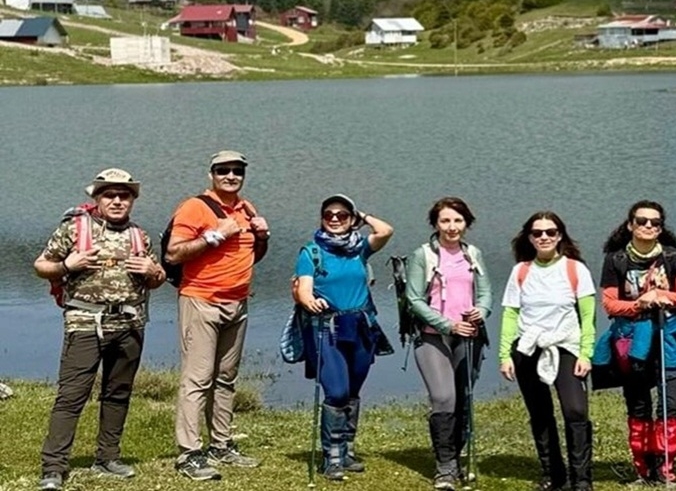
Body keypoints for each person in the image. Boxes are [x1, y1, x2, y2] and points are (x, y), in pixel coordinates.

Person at [33, 168, 166, 491]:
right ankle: (53, 467)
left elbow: (157, 278)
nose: (117, 201)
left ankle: (107, 457)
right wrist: (67, 266)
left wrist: (153, 271)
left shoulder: (140, 235)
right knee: (71, 396)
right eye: (110, 194)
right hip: (85, 323)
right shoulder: (74, 230)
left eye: (124, 195)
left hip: (130, 323)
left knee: (118, 393)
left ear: (132, 199)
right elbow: (41, 265)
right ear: (97, 198)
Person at [165, 150, 270, 481]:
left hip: (237, 303)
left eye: (237, 171)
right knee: (197, 379)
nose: (230, 176)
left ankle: (221, 444)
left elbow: (251, 254)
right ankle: (189, 453)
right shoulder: (195, 207)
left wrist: (263, 237)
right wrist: (214, 235)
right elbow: (174, 252)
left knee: (226, 378)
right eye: (223, 170)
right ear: (212, 173)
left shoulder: (246, 207)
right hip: (201, 301)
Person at [594, 200, 676, 485]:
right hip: (631, 342)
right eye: (642, 221)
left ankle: (666, 470)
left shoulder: (674, 257)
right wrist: (639, 304)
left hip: (671, 339)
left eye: (655, 223)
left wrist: (662, 296)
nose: (648, 226)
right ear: (630, 225)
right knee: (638, 407)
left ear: (661, 228)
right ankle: (643, 471)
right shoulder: (615, 260)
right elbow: (609, 304)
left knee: (670, 407)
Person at [293, 194, 394, 480]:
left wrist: (361, 216)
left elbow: (385, 231)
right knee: (336, 391)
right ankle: (332, 458)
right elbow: (304, 288)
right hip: (327, 328)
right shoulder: (311, 252)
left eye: (342, 214)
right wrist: (309, 301)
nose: (335, 219)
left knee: (352, 391)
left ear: (352, 220)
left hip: (361, 325)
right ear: (321, 218)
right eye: (328, 214)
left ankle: (347, 451)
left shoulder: (359, 248)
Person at [499, 211, 597, 491]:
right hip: (528, 348)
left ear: (560, 235)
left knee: (575, 411)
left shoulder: (575, 269)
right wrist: (505, 355)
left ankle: (582, 479)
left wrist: (585, 354)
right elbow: (510, 314)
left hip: (566, 347)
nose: (544, 237)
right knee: (540, 413)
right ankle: (554, 474)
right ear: (529, 237)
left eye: (550, 232)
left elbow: (588, 316)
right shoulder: (520, 271)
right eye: (538, 233)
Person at [405, 197, 492, 491]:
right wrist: (448, 324)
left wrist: (482, 310)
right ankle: (444, 469)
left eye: (457, 221)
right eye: (445, 221)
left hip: (469, 336)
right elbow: (414, 299)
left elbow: (486, 293)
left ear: (466, 223)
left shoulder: (474, 254)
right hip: (433, 335)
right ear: (435, 224)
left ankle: (455, 457)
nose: (452, 227)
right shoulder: (423, 255)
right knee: (443, 398)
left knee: (463, 397)